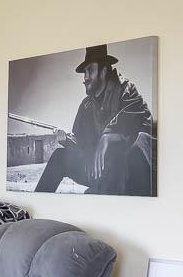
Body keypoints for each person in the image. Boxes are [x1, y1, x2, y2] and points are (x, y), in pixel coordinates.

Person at [33, 45, 154, 195]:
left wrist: (109, 136)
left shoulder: (126, 89)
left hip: (127, 173)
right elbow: (81, 144)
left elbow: (138, 118)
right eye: (84, 72)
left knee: (130, 149)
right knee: (59, 157)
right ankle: (40, 202)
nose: (85, 77)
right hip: (98, 172)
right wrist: (66, 139)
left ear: (103, 72)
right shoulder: (86, 105)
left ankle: (104, 194)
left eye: (90, 70)